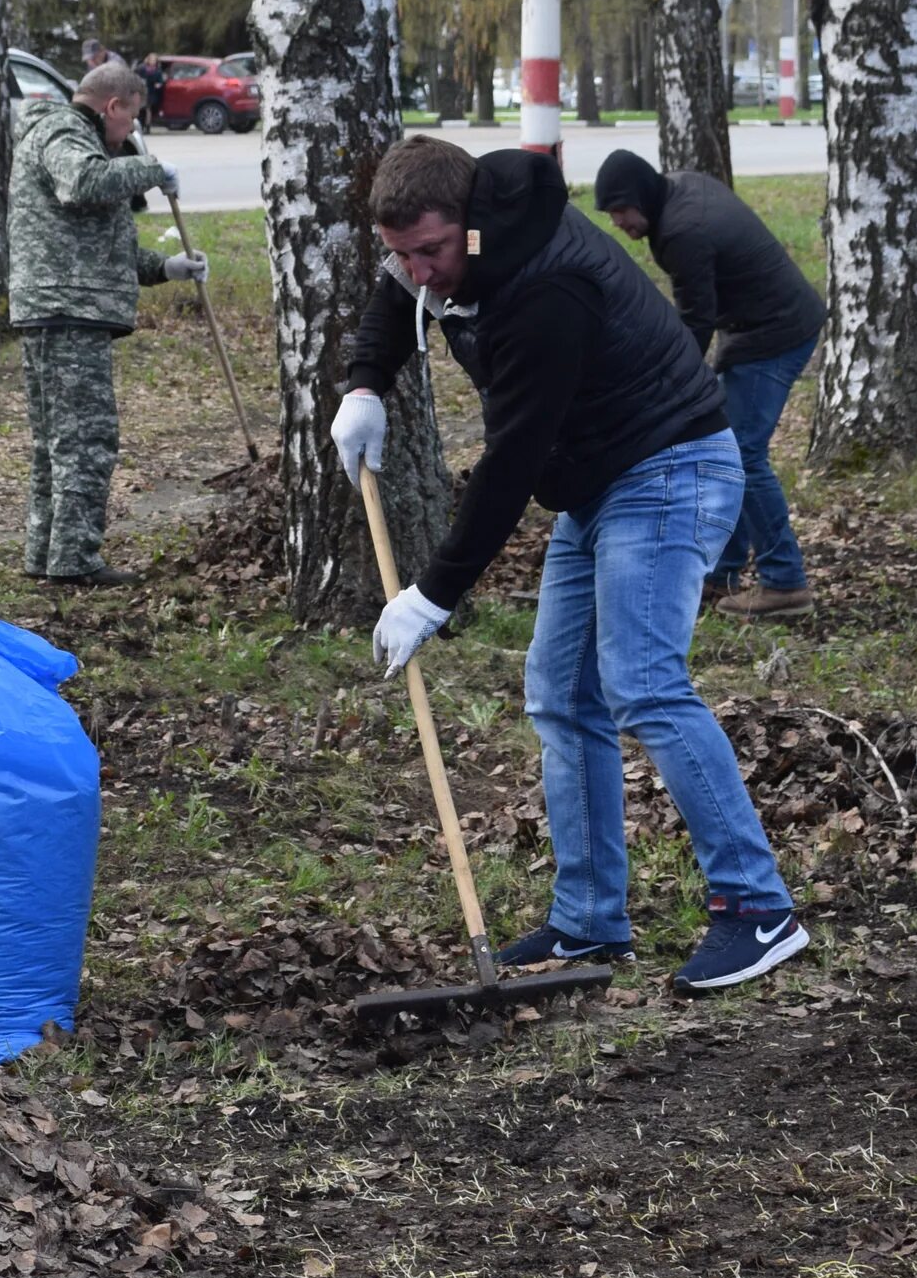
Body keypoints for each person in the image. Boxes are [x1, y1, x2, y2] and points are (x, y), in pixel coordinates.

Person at [333, 138, 810, 993]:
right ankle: (589, 923)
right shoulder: (447, 249)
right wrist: (366, 381)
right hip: (598, 482)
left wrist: (435, 594)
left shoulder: (545, 289)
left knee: (643, 683)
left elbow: (514, 456)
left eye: (432, 252)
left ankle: (758, 909)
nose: (419, 272)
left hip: (671, 468)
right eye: (400, 253)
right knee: (561, 694)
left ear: (471, 229)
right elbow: (396, 289)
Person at [593, 150, 826, 620]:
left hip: (775, 334)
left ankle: (785, 583)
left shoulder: (682, 232)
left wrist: (671, 384)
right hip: (757, 329)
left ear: (640, 197)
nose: (618, 222)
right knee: (729, 451)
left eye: (620, 210)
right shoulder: (680, 189)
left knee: (742, 455)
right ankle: (722, 573)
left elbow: (696, 322)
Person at [7, 59, 207, 586]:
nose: (132, 132)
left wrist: (166, 268)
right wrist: (152, 171)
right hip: (67, 311)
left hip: (61, 304)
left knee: (56, 442)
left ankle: (45, 553)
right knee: (85, 440)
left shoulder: (74, 138)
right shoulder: (62, 131)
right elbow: (82, 183)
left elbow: (99, 243)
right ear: (112, 105)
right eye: (132, 120)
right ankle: (74, 560)